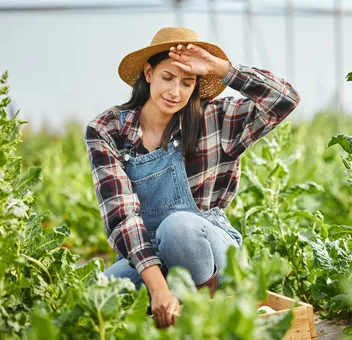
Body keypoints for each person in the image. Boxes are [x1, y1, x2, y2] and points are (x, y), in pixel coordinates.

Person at [84, 27, 300, 328]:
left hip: (214, 252)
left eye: (188, 83)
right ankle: (171, 302)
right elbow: (121, 215)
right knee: (97, 292)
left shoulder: (216, 118)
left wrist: (222, 69)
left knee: (179, 225)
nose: (176, 93)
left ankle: (202, 314)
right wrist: (158, 288)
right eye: (167, 78)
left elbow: (284, 99)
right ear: (149, 73)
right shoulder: (107, 130)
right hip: (154, 256)